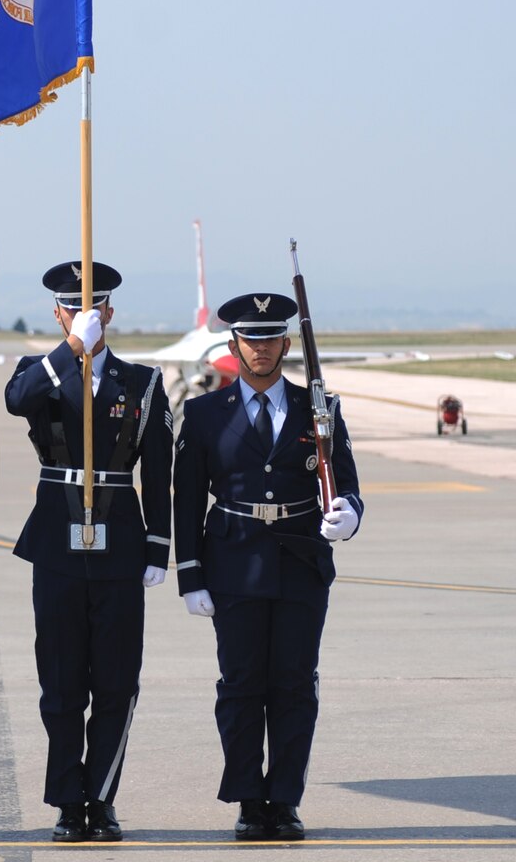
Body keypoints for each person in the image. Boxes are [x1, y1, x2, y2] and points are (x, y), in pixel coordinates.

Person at [172, 290, 363, 842]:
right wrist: (190, 575)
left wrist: (348, 513)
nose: (261, 349)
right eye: (250, 340)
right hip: (232, 561)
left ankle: (284, 800)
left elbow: (346, 482)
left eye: (271, 338)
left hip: (302, 561)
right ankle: (248, 799)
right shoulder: (206, 413)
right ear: (235, 343)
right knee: (240, 685)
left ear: (286, 343)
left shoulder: (319, 409)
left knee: (295, 686)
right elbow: (187, 498)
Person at [3, 261, 172, 843]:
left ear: (110, 311)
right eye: (74, 309)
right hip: (57, 537)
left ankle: (101, 798)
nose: (86, 315)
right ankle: (67, 800)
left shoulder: (142, 382)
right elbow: (15, 399)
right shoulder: (39, 372)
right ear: (58, 313)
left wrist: (158, 545)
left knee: (118, 680)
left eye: (95, 308)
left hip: (121, 539)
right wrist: (72, 347)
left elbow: (161, 469)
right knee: (61, 681)